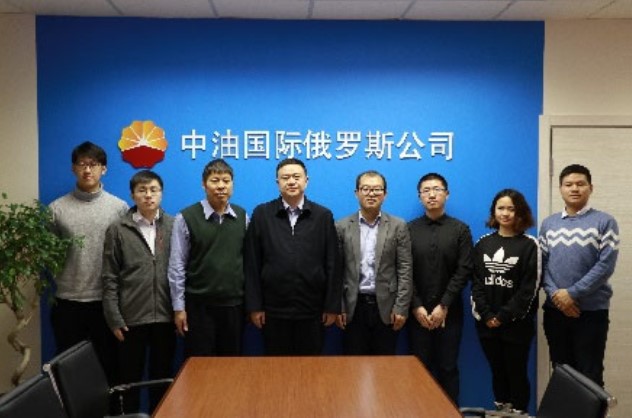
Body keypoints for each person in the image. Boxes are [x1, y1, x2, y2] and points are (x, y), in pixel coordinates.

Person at [49, 141, 128, 387]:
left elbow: (125, 255)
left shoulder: (119, 208)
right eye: (82, 164)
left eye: (93, 164)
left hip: (106, 303)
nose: (87, 170)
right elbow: (48, 256)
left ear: (103, 169)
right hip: (68, 301)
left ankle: (112, 409)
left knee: (110, 366)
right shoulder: (56, 209)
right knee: (69, 370)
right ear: (73, 168)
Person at [245, 158, 341, 355]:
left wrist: (332, 306)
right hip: (273, 310)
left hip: (313, 310)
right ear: (277, 182)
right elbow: (252, 262)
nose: (291, 181)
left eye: (296, 177)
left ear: (306, 180)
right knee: (276, 367)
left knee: (310, 367)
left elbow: (333, 263)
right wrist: (255, 306)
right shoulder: (262, 214)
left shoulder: (323, 216)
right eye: (285, 177)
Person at [539, 164, 619, 387]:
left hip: (591, 312)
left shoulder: (605, 222)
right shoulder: (549, 224)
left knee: (590, 374)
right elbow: (542, 266)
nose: (574, 188)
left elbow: (605, 266)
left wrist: (572, 294)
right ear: (560, 189)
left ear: (590, 188)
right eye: (568, 184)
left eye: (580, 184)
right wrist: (557, 296)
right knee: (562, 372)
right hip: (555, 311)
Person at [102, 170, 175, 413]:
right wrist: (114, 318)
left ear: (161, 194)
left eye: (153, 190)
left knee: (162, 379)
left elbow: (182, 271)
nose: (148, 195)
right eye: (142, 190)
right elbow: (109, 276)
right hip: (130, 319)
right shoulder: (118, 229)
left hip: (165, 317)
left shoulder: (174, 225)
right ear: (133, 195)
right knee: (129, 381)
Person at [168, 158, 247, 357]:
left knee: (231, 364)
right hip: (198, 307)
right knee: (199, 365)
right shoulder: (186, 217)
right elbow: (177, 266)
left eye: (226, 181)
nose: (221, 186)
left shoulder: (242, 217)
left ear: (232, 184)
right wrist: (179, 308)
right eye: (215, 180)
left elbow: (249, 262)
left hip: (234, 306)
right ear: (204, 184)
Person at [471, 189, 539, 414]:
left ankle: (519, 412)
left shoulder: (530, 245)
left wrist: (502, 316)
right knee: (497, 371)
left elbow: (529, 289)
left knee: (517, 372)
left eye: (511, 208)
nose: (506, 213)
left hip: (516, 325)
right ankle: (501, 411)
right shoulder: (483, 243)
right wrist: (487, 315)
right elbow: (476, 283)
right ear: (494, 212)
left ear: (520, 212)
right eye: (501, 208)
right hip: (487, 324)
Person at [408, 172, 473, 404]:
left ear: (447, 194)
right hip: (416, 314)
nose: (432, 195)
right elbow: (404, 271)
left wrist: (443, 305)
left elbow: (464, 270)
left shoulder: (460, 230)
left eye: (437, 189)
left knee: (448, 367)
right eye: (426, 191)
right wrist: (416, 306)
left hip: (450, 312)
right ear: (419, 197)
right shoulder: (408, 229)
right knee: (419, 368)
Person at [335, 170, 412, 354]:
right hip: (353, 306)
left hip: (387, 307)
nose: (371, 194)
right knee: (352, 364)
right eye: (366, 189)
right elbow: (336, 270)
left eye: (377, 189)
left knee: (385, 365)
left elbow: (405, 269)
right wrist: (339, 306)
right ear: (357, 193)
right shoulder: (342, 226)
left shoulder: (398, 226)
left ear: (385, 194)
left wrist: (401, 307)